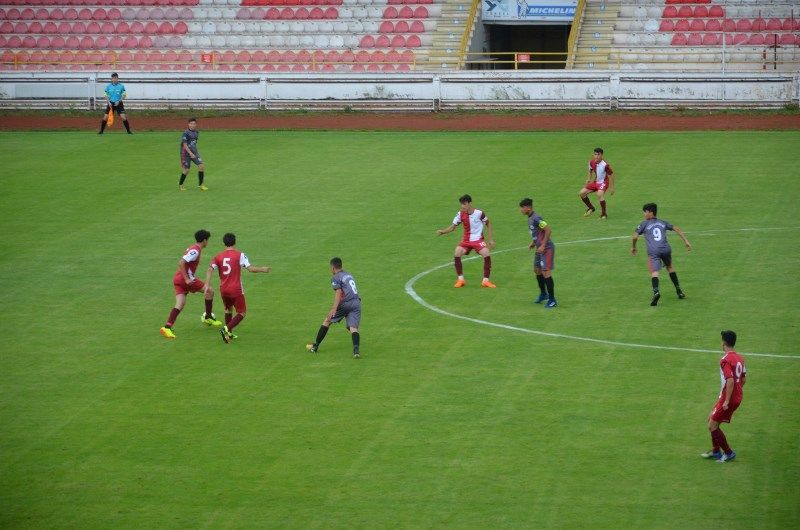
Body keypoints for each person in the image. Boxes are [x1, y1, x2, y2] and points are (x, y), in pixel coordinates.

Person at [203, 233, 271, 344]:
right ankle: (226, 329)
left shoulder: (218, 256)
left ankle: (229, 333)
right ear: (234, 242)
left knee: (228, 309)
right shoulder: (240, 255)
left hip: (223, 288)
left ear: (224, 243)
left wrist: (207, 285)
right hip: (236, 289)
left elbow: (210, 269)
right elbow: (251, 269)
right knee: (242, 312)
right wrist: (262, 269)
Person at [160, 230, 222, 339]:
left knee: (180, 304)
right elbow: (181, 262)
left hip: (177, 279)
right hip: (185, 280)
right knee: (210, 291)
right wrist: (187, 279)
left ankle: (167, 327)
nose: (208, 242)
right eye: (208, 240)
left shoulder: (193, 248)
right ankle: (208, 317)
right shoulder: (195, 251)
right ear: (204, 240)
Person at [631, 203, 691, 306]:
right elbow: (676, 228)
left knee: (654, 271)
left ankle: (656, 292)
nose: (644, 214)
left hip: (654, 251)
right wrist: (686, 241)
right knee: (670, 267)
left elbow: (634, 237)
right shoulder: (662, 222)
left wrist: (634, 247)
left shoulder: (644, 224)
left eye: (645, 212)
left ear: (650, 212)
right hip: (666, 249)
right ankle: (679, 290)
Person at [701, 330, 747, 463]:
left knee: (712, 425)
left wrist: (727, 400)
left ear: (724, 343)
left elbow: (731, 380)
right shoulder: (740, 358)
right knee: (711, 419)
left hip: (728, 398)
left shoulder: (725, 360)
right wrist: (735, 393)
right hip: (734, 396)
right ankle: (716, 451)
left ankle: (728, 452)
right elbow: (743, 379)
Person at [306, 257, 362, 358]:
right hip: (356, 302)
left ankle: (315, 346)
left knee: (327, 320)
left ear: (332, 268)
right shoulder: (348, 275)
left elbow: (339, 292)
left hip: (346, 303)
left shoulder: (336, 277)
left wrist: (334, 308)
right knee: (353, 328)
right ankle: (356, 351)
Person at [436, 194, 496, 288]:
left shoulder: (479, 213)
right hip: (466, 240)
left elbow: (488, 223)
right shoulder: (460, 214)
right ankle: (461, 280)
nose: (462, 206)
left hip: (478, 240)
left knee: (486, 252)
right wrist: (443, 231)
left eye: (464, 204)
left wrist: (491, 239)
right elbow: (453, 227)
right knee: (457, 252)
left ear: (470, 203)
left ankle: (485, 281)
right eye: (461, 204)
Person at [519, 198, 556, 308]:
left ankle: (552, 300)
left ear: (528, 208)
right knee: (537, 270)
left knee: (546, 273)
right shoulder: (530, 218)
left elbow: (548, 230)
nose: (521, 210)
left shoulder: (536, 218)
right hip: (539, 248)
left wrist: (543, 245)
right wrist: (533, 243)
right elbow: (538, 232)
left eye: (522, 207)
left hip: (546, 248)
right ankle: (543, 294)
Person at [579, 147, 614, 219]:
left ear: (602, 155)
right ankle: (591, 208)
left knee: (599, 194)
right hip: (596, 182)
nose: (596, 156)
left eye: (598, 154)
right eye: (595, 154)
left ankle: (604, 214)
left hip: (603, 182)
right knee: (581, 193)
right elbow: (590, 171)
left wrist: (612, 187)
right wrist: (588, 179)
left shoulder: (605, 165)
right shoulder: (591, 162)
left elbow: (611, 175)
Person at [179, 118, 208, 192]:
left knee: (201, 166)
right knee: (186, 170)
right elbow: (185, 144)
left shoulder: (197, 132)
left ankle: (201, 185)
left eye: (194, 124)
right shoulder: (186, 133)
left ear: (196, 124)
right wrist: (190, 153)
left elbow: (193, 143)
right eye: (191, 123)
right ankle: (181, 184)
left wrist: (194, 152)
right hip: (186, 154)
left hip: (194, 153)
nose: (193, 125)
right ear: (188, 124)